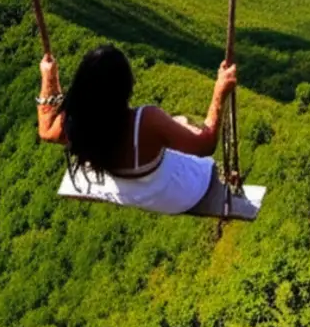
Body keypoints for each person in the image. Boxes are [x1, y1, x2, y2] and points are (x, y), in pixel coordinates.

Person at [36, 44, 239, 215]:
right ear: (126, 86)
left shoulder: (78, 122)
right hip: (180, 194)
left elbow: (46, 130)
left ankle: (177, 127)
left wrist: (49, 77)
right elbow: (205, 144)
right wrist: (219, 92)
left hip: (122, 189)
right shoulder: (147, 121)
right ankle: (180, 126)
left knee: (176, 124)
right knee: (184, 122)